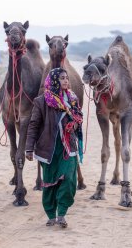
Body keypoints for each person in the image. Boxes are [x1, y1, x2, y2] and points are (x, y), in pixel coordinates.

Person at [25, 68, 83, 228]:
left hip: (68, 147)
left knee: (70, 180)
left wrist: (75, 123)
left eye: (67, 78)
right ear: (54, 81)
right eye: (62, 78)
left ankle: (62, 214)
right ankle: (51, 215)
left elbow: (79, 116)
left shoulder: (72, 98)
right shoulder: (41, 101)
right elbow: (34, 125)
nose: (66, 81)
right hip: (48, 149)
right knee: (50, 183)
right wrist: (29, 148)